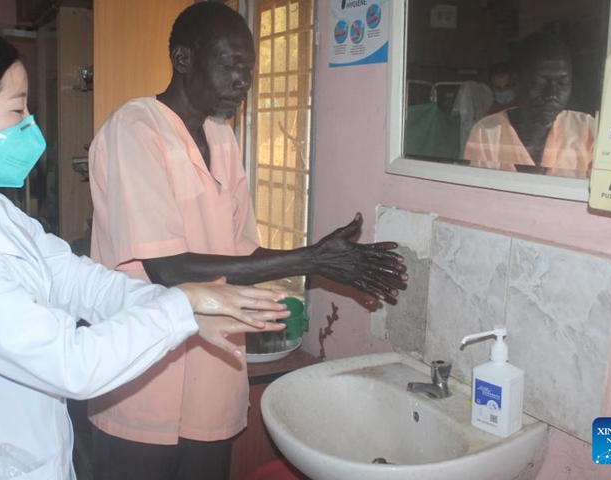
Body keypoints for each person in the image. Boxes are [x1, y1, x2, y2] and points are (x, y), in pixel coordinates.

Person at [0, 25, 291, 480]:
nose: (31, 127)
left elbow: (75, 278)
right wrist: (181, 307)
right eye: (17, 110)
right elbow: (71, 363)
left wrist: (181, 304)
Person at [87, 3, 408, 479]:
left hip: (213, 372)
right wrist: (313, 258)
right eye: (231, 64)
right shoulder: (134, 130)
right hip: (145, 372)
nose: (243, 81)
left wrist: (320, 259)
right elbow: (167, 267)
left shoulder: (223, 139)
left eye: (249, 69)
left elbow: (244, 251)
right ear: (184, 59)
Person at [463, 32, 596, 177]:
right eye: (541, 81)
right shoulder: (488, 132)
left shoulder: (587, 130)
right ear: (515, 82)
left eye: (562, 82)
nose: (552, 93)